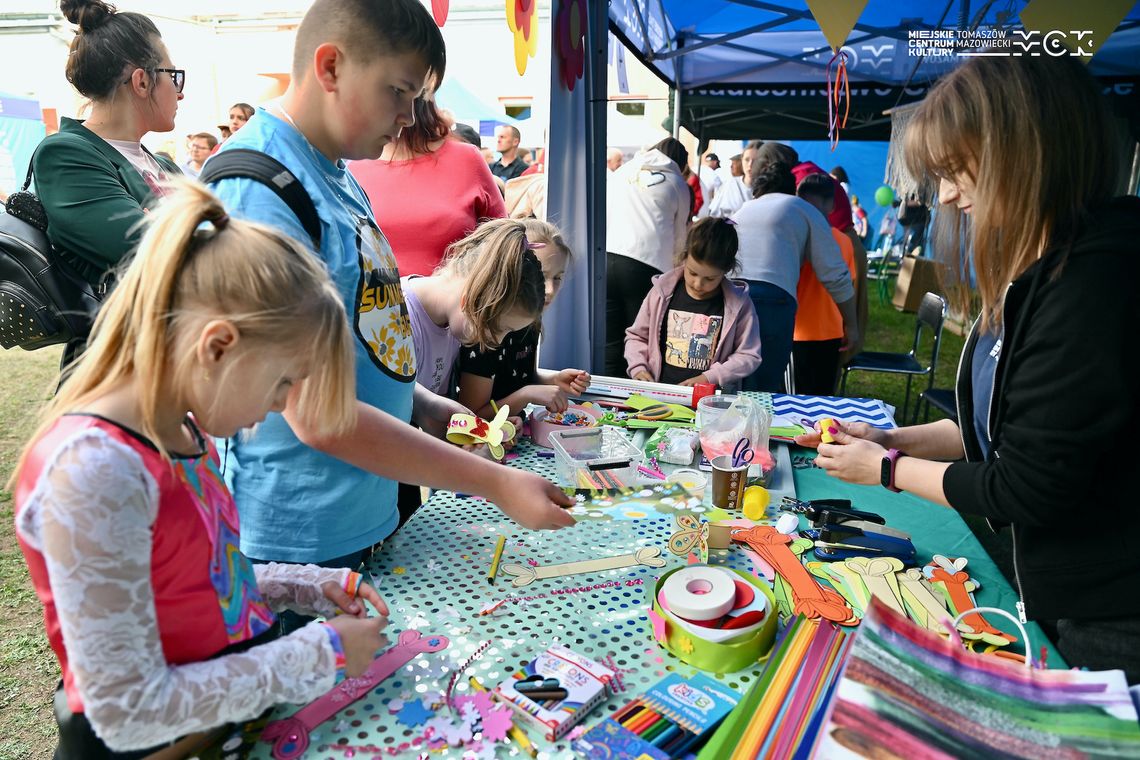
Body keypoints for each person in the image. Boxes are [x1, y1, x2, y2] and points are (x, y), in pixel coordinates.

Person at [206, 0, 574, 617]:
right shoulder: (260, 193)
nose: (408, 117)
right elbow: (312, 413)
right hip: (300, 534)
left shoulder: (339, 171)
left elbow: (363, 340)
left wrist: (424, 405)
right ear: (330, 66)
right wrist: (495, 483)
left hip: (361, 511)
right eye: (400, 91)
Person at [11, 182, 391, 758]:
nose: (280, 404)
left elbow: (197, 583)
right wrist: (321, 655)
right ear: (218, 347)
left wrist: (307, 585)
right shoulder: (94, 471)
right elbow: (127, 710)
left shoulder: (183, 431)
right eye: (284, 381)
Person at [797, 55, 1140, 685]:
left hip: (1116, 614)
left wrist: (888, 470)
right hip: (1069, 590)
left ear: (1023, 150)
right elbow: (999, 429)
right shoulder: (1038, 266)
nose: (950, 195)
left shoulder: (1093, 284)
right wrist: (892, 438)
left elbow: (1026, 484)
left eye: (956, 170)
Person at [34, 0, 183, 368]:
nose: (180, 92)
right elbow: (148, 249)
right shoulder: (66, 154)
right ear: (142, 80)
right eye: (174, 76)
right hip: (120, 371)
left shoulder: (162, 163)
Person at [731, 162, 857, 392]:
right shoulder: (802, 208)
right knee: (764, 385)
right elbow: (835, 274)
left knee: (731, 377)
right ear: (793, 190)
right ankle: (758, 425)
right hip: (773, 298)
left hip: (730, 293)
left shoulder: (743, 209)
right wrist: (852, 324)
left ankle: (726, 425)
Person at [350, 93, 506, 276]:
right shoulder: (354, 168)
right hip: (373, 303)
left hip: (460, 302)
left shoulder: (466, 159)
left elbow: (505, 244)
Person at [457, 218, 590, 418]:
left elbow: (516, 377)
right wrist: (526, 395)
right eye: (541, 275)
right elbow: (470, 415)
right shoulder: (489, 330)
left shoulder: (530, 320)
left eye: (557, 277)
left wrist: (553, 380)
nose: (550, 289)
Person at [401, 218, 545, 398]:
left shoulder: (452, 322)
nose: (498, 342)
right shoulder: (399, 319)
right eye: (499, 329)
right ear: (470, 299)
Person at [625, 217, 761, 390]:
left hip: (710, 402)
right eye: (692, 273)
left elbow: (748, 355)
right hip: (659, 394)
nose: (698, 284)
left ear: (727, 270)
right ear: (684, 257)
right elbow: (637, 336)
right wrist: (638, 367)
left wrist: (709, 377)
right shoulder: (661, 292)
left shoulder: (739, 304)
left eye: (710, 278)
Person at [604, 136, 690, 374]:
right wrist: (676, 271)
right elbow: (680, 236)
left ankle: (607, 399)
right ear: (680, 163)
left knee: (609, 339)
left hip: (606, 257)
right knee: (640, 338)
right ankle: (637, 397)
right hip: (646, 265)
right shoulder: (676, 183)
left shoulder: (622, 172)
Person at [792, 173, 857, 395]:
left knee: (796, 396)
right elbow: (850, 286)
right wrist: (851, 324)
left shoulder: (794, 237)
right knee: (824, 396)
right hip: (831, 330)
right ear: (831, 206)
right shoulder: (844, 241)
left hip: (797, 332)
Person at [705, 153, 748, 218]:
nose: (731, 166)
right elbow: (715, 211)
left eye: (734, 164)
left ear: (742, 165)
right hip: (726, 222)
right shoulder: (729, 182)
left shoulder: (733, 182)